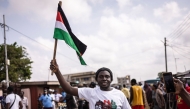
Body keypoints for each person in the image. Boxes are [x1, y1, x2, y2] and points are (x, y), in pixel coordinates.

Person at [50, 59, 131, 109]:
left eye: (107, 76)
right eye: (101, 76)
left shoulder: (120, 94)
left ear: (111, 79)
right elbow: (69, 89)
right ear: (96, 79)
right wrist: (57, 72)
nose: (104, 79)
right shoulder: (91, 92)